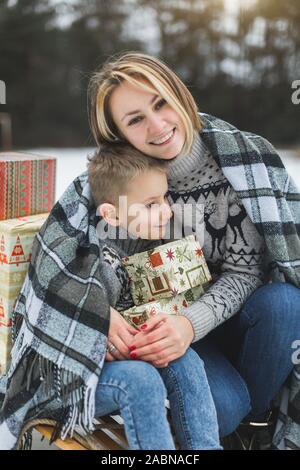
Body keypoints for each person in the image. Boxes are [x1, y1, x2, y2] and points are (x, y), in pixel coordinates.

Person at [87, 51, 300, 449]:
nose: (158, 126)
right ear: (120, 134)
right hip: (162, 324)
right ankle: (235, 418)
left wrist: (188, 325)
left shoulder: (242, 163)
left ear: (179, 94)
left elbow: (245, 275)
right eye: (135, 120)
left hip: (237, 320)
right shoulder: (121, 179)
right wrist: (101, 309)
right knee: (219, 409)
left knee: (286, 303)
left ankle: (254, 422)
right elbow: (81, 255)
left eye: (160, 103)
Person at [87, 142, 222, 450]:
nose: (166, 209)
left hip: (123, 359)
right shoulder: (103, 262)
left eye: (164, 197)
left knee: (183, 357)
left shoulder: (144, 242)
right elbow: (82, 334)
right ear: (113, 215)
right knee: (141, 379)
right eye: (151, 204)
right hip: (79, 378)